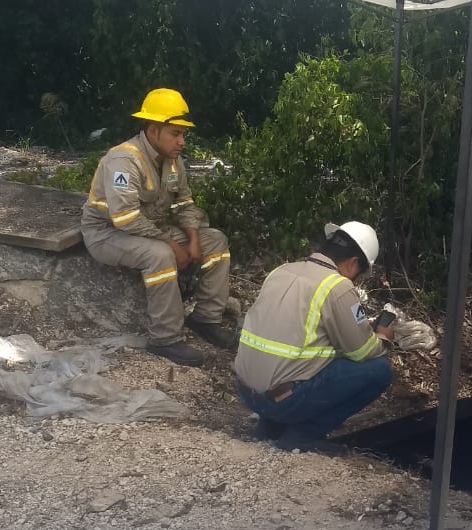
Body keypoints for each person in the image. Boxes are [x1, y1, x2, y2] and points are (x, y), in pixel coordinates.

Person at [82, 88, 236, 367]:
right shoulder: (124, 161)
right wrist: (172, 244)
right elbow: (125, 218)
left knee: (216, 240)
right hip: (107, 233)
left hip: (149, 229)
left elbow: (185, 204)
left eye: (183, 134)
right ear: (153, 131)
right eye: (175, 134)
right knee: (160, 255)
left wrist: (192, 238)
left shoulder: (174, 162)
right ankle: (164, 339)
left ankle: (206, 319)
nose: (182, 141)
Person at [233, 221, 394, 453]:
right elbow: (362, 352)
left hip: (249, 394)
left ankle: (270, 427)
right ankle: (302, 437)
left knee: (289, 361)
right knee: (379, 370)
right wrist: (383, 336)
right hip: (286, 402)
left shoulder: (281, 271)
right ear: (353, 263)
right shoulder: (338, 286)